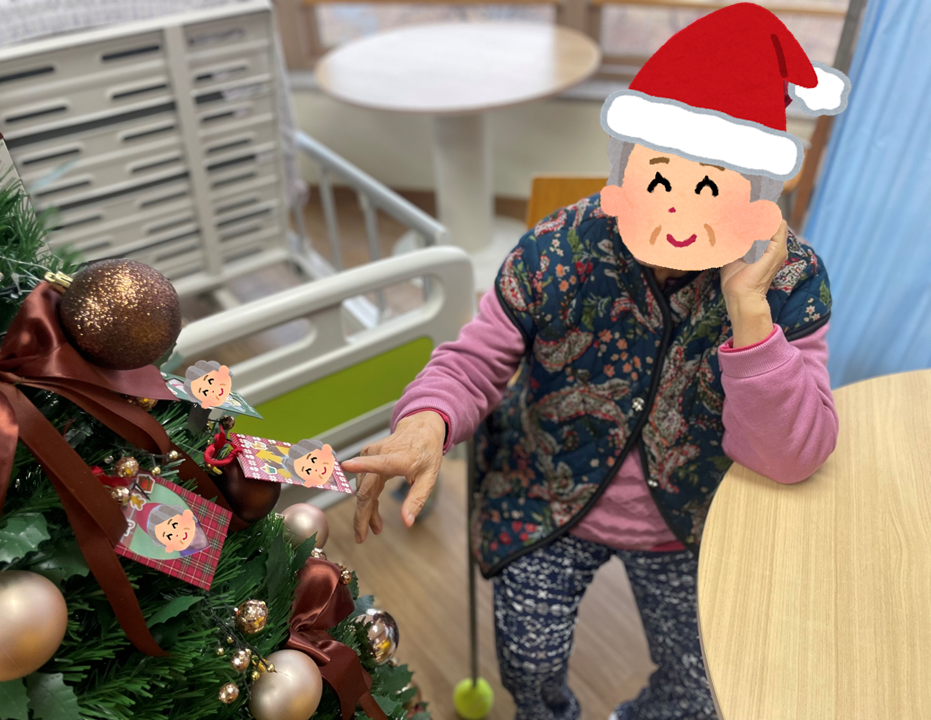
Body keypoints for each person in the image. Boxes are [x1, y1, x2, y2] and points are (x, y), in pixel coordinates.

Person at [341, 4, 849, 719]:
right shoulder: (559, 249)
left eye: (710, 187)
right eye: (660, 181)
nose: (679, 213)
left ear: (756, 194)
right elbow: (475, 360)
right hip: (546, 493)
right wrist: (427, 423)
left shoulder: (789, 280)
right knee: (528, 662)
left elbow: (793, 456)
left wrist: (750, 317)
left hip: (691, 520)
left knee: (705, 690)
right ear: (627, 168)